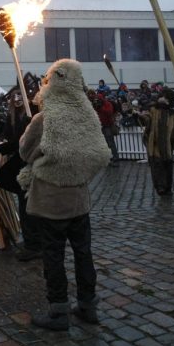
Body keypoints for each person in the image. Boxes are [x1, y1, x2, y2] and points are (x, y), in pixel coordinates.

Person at [19, 59, 111, 330]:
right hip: (79, 199)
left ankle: (59, 312)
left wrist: (31, 130)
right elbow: (98, 152)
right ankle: (88, 305)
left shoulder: (45, 118)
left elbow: (25, 152)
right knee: (83, 253)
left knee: (53, 255)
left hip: (51, 200)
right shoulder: (87, 116)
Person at [0, 79, 42, 261]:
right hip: (18, 162)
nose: (18, 98)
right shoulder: (12, 116)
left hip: (30, 163)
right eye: (14, 96)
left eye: (20, 95)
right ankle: (31, 241)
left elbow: (24, 141)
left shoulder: (32, 114)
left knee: (30, 203)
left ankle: (35, 244)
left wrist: (4, 147)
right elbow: (7, 135)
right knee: (23, 202)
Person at [137, 89, 174, 196]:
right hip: (154, 145)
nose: (162, 98)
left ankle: (168, 187)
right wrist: (140, 116)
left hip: (167, 146)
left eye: (165, 97)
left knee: (167, 167)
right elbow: (146, 118)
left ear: (169, 100)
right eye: (161, 96)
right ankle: (160, 187)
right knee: (157, 166)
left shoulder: (173, 114)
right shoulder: (153, 110)